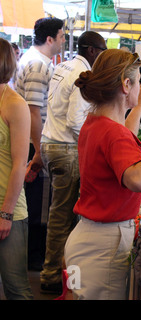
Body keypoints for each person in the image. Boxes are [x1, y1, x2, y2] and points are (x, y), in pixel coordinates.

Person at [64, 49, 141, 300]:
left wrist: (140, 103)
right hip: (103, 246)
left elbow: (121, 138)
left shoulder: (96, 122)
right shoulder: (112, 132)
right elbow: (138, 179)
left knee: (76, 294)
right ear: (125, 85)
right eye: (137, 80)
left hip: (85, 241)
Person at [38, 31, 107, 295]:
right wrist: (94, 146)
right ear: (91, 50)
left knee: (59, 214)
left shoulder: (63, 65)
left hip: (51, 144)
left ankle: (55, 271)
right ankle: (52, 274)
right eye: (101, 51)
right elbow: (75, 119)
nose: (101, 57)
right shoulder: (81, 73)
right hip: (66, 148)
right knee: (62, 216)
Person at [15, 17, 65, 272]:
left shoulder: (39, 61)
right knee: (37, 205)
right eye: (62, 35)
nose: (64, 40)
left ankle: (32, 255)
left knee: (36, 203)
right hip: (35, 142)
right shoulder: (36, 64)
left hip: (35, 142)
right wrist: (38, 150)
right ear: (50, 39)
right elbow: (34, 111)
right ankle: (32, 258)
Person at [0, 38, 33, 300]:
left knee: (16, 288)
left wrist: (6, 214)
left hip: (8, 208)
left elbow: (20, 164)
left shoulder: (14, 104)